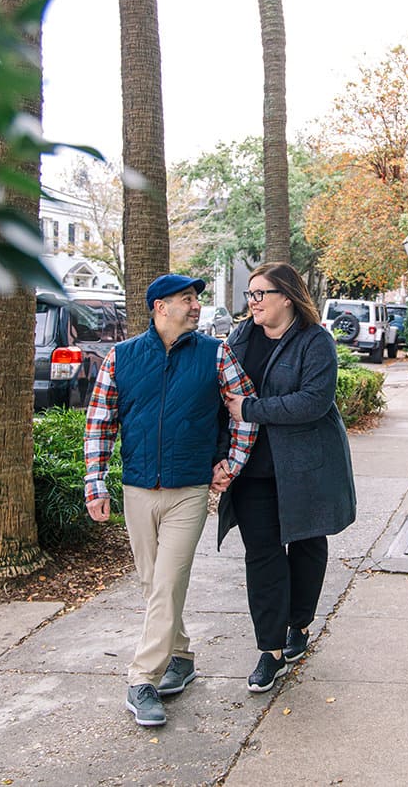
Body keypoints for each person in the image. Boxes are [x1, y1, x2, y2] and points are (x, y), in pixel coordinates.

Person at [84, 273, 258, 727]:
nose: (196, 306)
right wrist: (95, 483)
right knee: (153, 584)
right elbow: (100, 423)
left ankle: (142, 678)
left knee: (166, 581)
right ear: (160, 307)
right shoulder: (120, 358)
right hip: (138, 489)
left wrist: (232, 464)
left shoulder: (215, 354)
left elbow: (246, 410)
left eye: (197, 299)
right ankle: (180, 656)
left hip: (190, 491)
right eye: (187, 299)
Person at [219, 262, 357, 694]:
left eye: (260, 294)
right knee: (262, 553)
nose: (253, 302)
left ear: (287, 297)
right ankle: (270, 650)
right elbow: (222, 392)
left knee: (307, 544)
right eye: (250, 295)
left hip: (305, 468)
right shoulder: (241, 337)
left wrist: (253, 410)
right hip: (253, 469)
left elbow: (312, 402)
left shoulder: (315, 342)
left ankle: (299, 623)